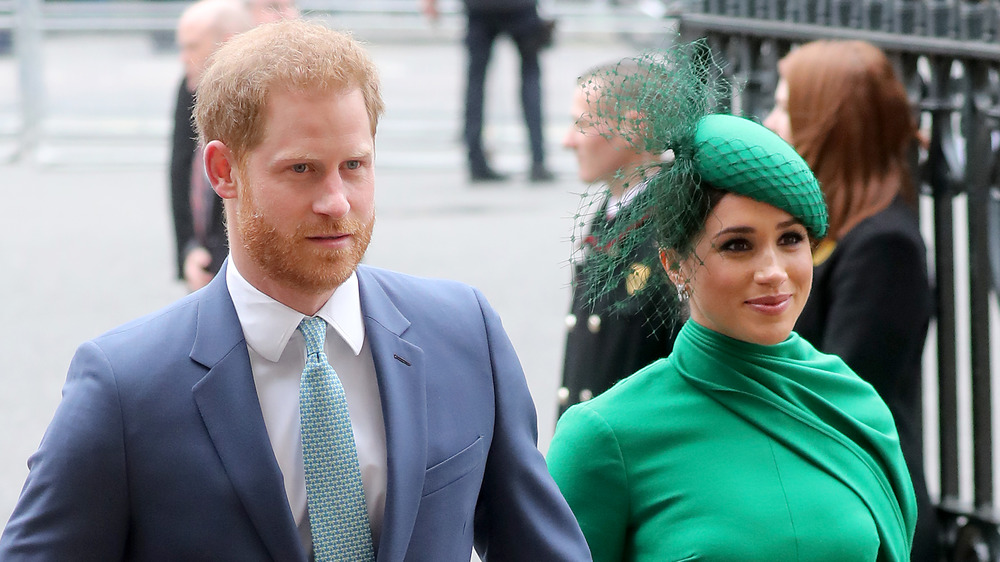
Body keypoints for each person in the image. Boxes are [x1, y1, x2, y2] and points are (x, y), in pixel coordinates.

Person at [0, 21, 590, 561]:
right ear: (223, 172)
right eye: (302, 169)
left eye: (355, 166)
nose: (337, 202)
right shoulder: (125, 387)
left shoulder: (464, 332)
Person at [546, 46, 916, 561]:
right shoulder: (605, 437)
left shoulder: (854, 404)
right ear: (674, 264)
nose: (773, 272)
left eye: (790, 240)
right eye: (737, 245)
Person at [763, 39, 939, 561]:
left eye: (784, 107)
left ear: (827, 123)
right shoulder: (828, 227)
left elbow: (839, 392)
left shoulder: (885, 245)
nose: (770, 122)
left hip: (861, 509)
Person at [557, 60, 680, 417]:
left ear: (634, 128)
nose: (567, 141)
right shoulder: (610, 212)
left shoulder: (667, 228)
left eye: (581, 124)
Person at [421, 0, 555, 183]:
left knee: (475, 82)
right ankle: (538, 160)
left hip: (480, 7)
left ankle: (475, 160)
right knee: (530, 76)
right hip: (521, 7)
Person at [169, 0, 252, 292]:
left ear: (226, 45)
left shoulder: (268, 99)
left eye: (192, 47)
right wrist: (188, 251)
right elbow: (180, 174)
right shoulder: (189, 86)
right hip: (204, 265)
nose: (183, 58)